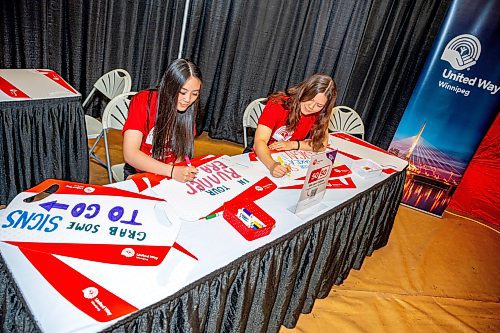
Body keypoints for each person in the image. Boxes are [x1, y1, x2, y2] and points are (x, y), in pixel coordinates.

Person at [122, 59, 202, 182]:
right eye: (182, 92)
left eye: (195, 94)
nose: (188, 99)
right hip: (141, 170)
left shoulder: (189, 108)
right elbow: (130, 154)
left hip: (170, 171)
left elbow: (182, 150)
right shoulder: (143, 100)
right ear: (169, 86)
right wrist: (171, 171)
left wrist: (176, 168)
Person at [253, 74, 337, 178]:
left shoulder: (321, 114)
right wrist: (272, 165)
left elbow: (321, 145)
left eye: (319, 105)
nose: (311, 106)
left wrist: (293, 144)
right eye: (310, 99)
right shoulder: (277, 104)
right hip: (264, 156)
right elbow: (259, 141)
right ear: (303, 91)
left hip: (289, 157)